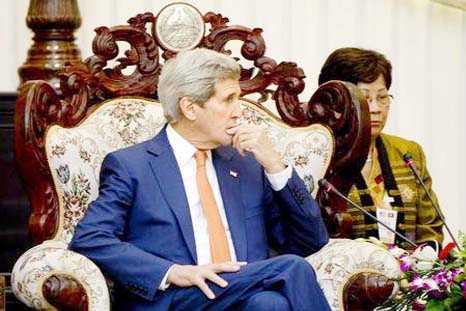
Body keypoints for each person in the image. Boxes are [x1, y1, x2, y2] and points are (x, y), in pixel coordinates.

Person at [70, 48, 330, 310]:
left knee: (269, 304)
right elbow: (91, 238)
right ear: (190, 108)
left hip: (242, 294)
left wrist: (275, 164)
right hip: (176, 299)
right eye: (228, 99)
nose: (239, 111)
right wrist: (173, 272)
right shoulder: (132, 166)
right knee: (293, 268)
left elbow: (310, 241)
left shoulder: (247, 164)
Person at [318, 47, 443, 249]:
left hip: (408, 275)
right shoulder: (317, 156)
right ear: (335, 101)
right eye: (364, 98)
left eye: (382, 97)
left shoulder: (407, 152)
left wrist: (422, 264)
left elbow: (430, 228)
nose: (376, 108)